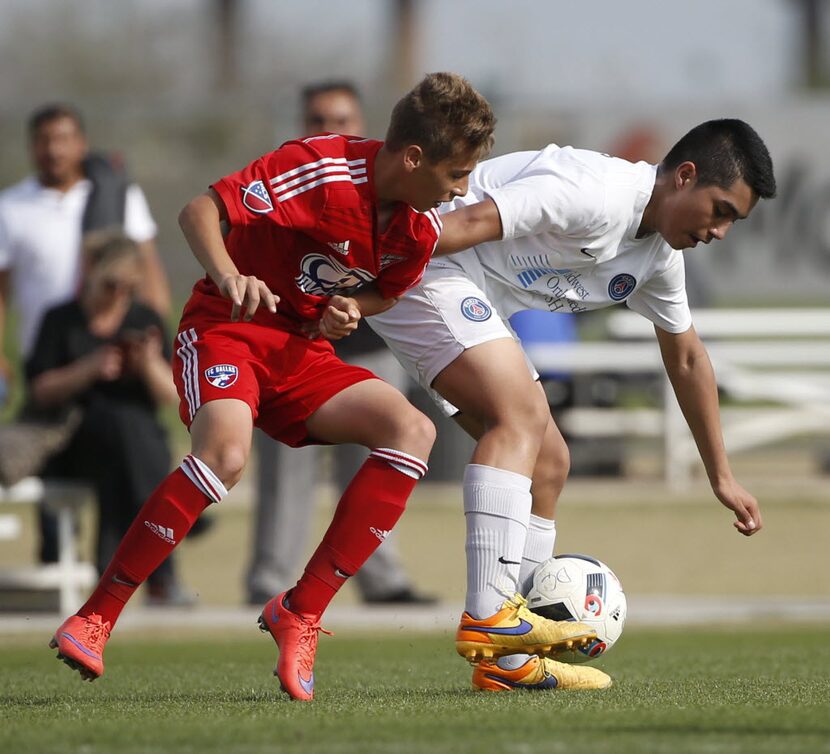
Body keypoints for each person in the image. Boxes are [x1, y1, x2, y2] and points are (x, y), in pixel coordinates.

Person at [50, 73, 582, 704]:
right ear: (413, 157)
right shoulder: (322, 167)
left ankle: (300, 612)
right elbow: (200, 212)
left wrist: (349, 308)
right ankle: (97, 616)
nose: (462, 189)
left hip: (302, 352)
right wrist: (227, 276)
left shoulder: (415, 228)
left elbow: (387, 289)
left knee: (412, 429)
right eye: (456, 173)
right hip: (227, 331)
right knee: (225, 456)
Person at [368, 119, 776, 692]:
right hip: (427, 267)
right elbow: (463, 221)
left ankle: (506, 663)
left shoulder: (658, 256)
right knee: (523, 419)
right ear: (684, 176)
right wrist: (363, 288)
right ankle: (489, 620)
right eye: (721, 209)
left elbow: (687, 359)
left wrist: (722, 476)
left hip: (470, 293)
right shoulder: (592, 190)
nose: (721, 231)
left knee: (550, 464)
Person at [247, 80, 434, 606]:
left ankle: (380, 578)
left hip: (367, 346)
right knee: (285, 471)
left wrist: (356, 308)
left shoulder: (393, 195)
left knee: (385, 459)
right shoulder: (294, 181)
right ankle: (270, 580)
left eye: (342, 120)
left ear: (364, 127)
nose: (330, 131)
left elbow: (398, 279)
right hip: (291, 348)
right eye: (317, 121)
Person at [0, 103, 171, 563]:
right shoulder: (12, 207)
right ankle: (58, 562)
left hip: (115, 347)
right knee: (44, 451)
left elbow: (148, 265)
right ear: (32, 146)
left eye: (64, 138)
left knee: (127, 432)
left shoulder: (113, 194)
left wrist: (153, 329)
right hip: (52, 354)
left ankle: (137, 566)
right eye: (44, 140)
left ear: (81, 143)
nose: (54, 150)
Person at [26, 231, 189, 605]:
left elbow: (171, 395)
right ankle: (164, 567)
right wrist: (90, 369)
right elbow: (40, 390)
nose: (119, 296)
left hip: (131, 444)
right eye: (111, 285)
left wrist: (147, 365)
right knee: (125, 431)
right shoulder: (62, 319)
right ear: (89, 273)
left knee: (128, 435)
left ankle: (110, 574)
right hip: (73, 436)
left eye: (129, 287)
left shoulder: (144, 319)